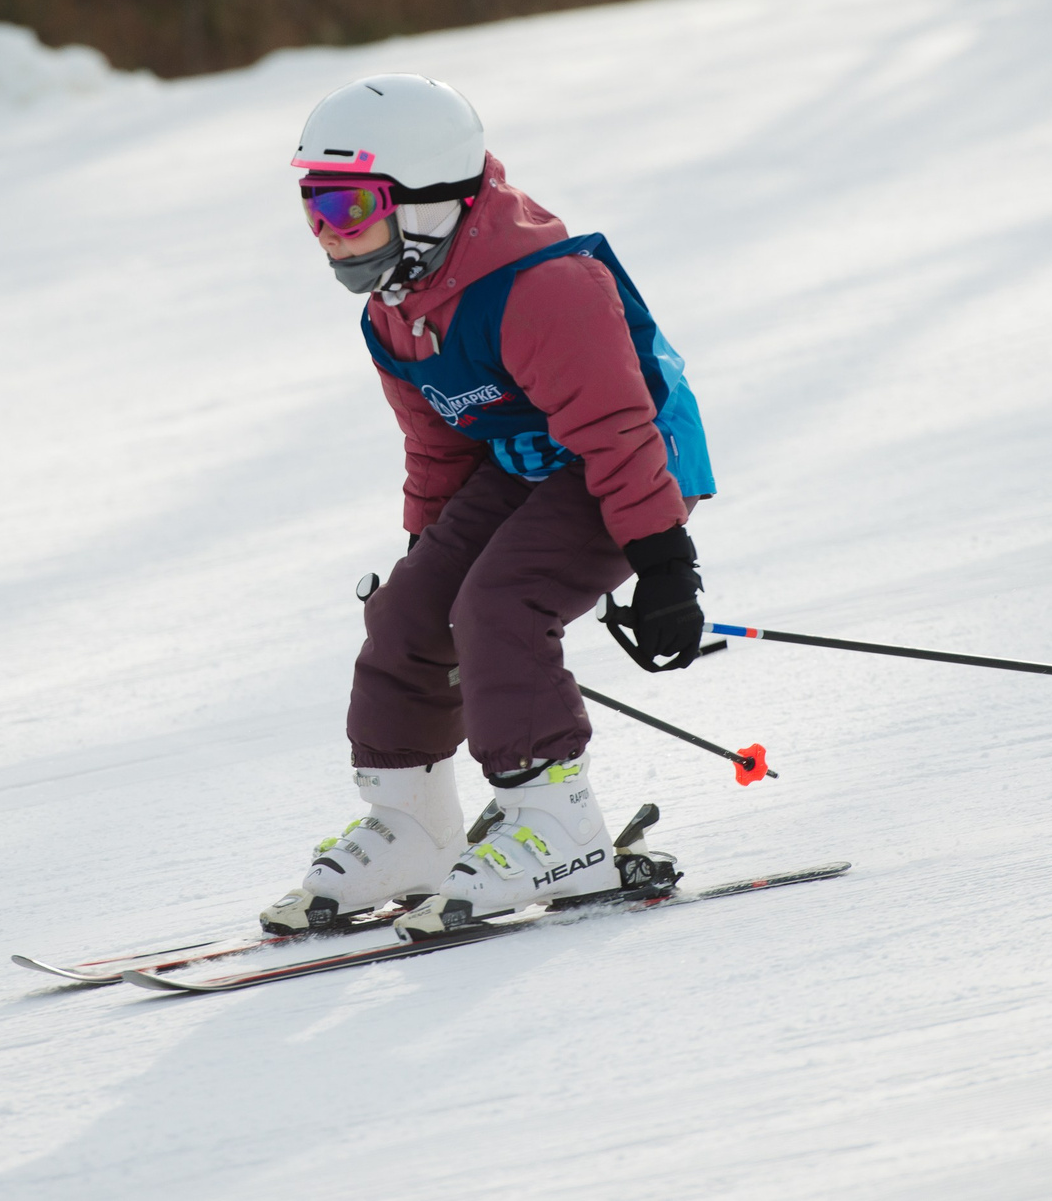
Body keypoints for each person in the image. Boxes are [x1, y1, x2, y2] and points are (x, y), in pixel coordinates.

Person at [260, 74, 717, 939]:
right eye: (313, 204)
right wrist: (423, 558)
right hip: (523, 461)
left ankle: (559, 828)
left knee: (499, 604)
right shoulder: (394, 309)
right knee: (409, 614)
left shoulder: (543, 285)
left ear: (429, 198)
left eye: (349, 202)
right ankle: (413, 830)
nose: (327, 229)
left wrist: (664, 566)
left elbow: (618, 431)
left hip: (632, 465)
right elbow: (438, 447)